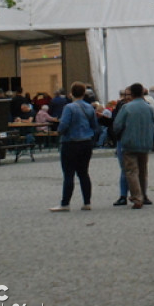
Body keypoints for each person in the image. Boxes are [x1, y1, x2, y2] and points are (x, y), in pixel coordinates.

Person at [50, 82, 98, 212]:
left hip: (71, 142)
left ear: (71, 93)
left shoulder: (69, 107)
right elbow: (95, 125)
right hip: (86, 142)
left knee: (69, 174)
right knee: (84, 173)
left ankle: (65, 203)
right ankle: (87, 202)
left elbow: (64, 124)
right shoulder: (89, 107)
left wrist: (59, 132)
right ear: (83, 93)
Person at [112, 83, 154, 209]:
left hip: (129, 142)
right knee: (143, 171)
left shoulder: (126, 107)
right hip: (145, 143)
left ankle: (137, 197)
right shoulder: (150, 108)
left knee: (131, 171)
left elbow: (117, 125)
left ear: (132, 93)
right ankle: (143, 194)